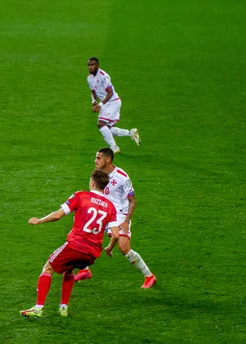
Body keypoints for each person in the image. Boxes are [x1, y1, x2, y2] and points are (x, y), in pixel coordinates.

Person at [20, 169, 120, 318]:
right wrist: (110, 247)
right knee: (69, 270)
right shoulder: (110, 206)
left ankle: (38, 308)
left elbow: (58, 215)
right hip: (92, 254)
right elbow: (116, 234)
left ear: (92, 183)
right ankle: (63, 308)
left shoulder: (81, 196)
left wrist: (39, 220)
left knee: (47, 268)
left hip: (75, 246)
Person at [75, 148, 156, 288]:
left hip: (119, 213)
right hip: (104, 210)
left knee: (124, 248)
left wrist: (126, 221)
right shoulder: (96, 173)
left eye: (99, 158)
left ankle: (149, 276)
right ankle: (84, 269)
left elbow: (132, 200)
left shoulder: (122, 177)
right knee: (82, 237)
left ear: (107, 160)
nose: (95, 161)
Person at [87, 57, 141, 154]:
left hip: (113, 102)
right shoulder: (89, 78)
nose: (90, 67)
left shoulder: (104, 76)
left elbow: (110, 93)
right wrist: (94, 101)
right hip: (105, 104)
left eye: (93, 65)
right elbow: (93, 91)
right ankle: (131, 133)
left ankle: (114, 147)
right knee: (107, 129)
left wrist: (100, 104)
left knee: (101, 124)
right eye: (89, 65)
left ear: (98, 65)